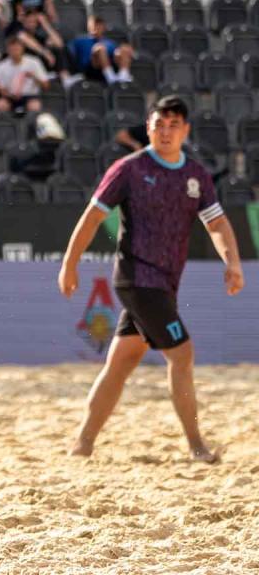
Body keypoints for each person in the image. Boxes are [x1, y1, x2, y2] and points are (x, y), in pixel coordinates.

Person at [59, 96, 244, 462]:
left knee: (121, 363)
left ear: (185, 130)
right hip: (137, 277)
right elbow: (93, 217)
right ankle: (197, 446)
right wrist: (69, 263)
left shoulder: (195, 175)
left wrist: (232, 262)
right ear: (148, 128)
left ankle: (82, 445)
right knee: (183, 354)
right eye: (159, 124)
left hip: (164, 284)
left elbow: (218, 223)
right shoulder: (129, 169)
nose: (166, 131)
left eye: (174, 125)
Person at [5, 9, 71, 80]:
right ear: (23, 21)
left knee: (58, 49)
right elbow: (25, 39)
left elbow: (59, 44)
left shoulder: (38, 37)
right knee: (36, 49)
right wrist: (45, 53)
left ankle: (65, 78)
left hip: (39, 64)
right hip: (20, 63)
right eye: (29, 21)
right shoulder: (16, 30)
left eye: (34, 21)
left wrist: (45, 24)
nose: (31, 24)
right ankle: (44, 74)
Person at [0, 34, 49, 113]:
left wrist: (33, 77)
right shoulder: (2, 66)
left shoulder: (34, 62)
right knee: (1, 105)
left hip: (30, 96)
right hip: (10, 97)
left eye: (17, 48)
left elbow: (46, 85)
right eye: (12, 49)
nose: (15, 51)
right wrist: (9, 95)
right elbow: (0, 88)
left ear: (22, 48)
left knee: (34, 106)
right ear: (7, 50)